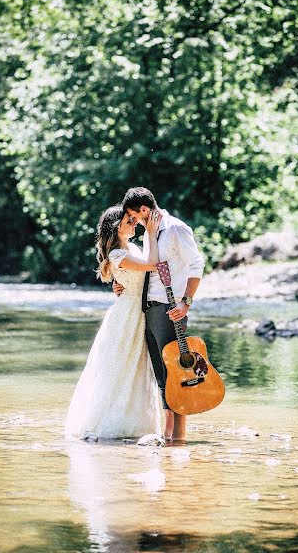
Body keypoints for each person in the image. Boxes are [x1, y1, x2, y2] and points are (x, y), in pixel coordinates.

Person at [114, 187, 205, 441]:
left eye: (134, 217)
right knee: (161, 374)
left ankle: (180, 436)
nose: (134, 222)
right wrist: (121, 282)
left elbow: (197, 263)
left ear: (144, 210)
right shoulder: (150, 234)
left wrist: (186, 302)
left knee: (177, 372)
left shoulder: (176, 229)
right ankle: (169, 434)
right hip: (149, 309)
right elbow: (147, 270)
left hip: (169, 309)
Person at [65, 204, 162, 439]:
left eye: (133, 219)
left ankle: (137, 423)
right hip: (127, 315)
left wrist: (120, 285)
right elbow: (152, 266)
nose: (134, 223)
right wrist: (151, 232)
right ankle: (110, 423)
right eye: (128, 220)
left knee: (137, 366)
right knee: (120, 365)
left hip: (138, 312)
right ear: (115, 226)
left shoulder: (133, 248)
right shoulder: (117, 254)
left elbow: (139, 277)